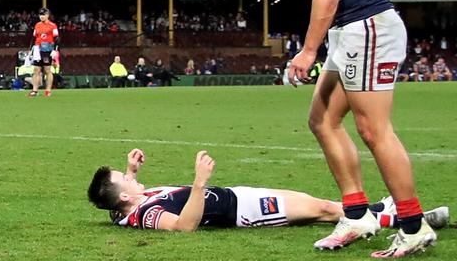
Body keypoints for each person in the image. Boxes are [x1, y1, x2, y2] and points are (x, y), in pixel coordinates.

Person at [265, 0, 437, 255]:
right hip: (353, 30)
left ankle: (414, 225)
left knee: (374, 130)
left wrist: (308, 50)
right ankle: (357, 216)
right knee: (322, 119)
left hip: (367, 27)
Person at [88, 149, 450, 234]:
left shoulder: (128, 205)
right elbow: (183, 227)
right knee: (323, 209)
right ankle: (408, 222)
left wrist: (131, 172)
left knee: (321, 205)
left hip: (238, 195)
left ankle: (397, 214)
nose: (132, 178)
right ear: (124, 197)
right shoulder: (144, 214)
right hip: (243, 210)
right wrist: (199, 182)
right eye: (126, 179)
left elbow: (120, 206)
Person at [28, 8, 58, 97]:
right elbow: (34, 38)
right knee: (36, 70)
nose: (41, 16)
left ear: (47, 15)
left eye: (43, 15)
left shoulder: (53, 26)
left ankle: (48, 90)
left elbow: (57, 38)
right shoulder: (37, 25)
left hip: (47, 49)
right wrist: (30, 50)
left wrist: (55, 50)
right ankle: (35, 90)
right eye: (40, 15)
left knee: (47, 70)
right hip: (38, 49)